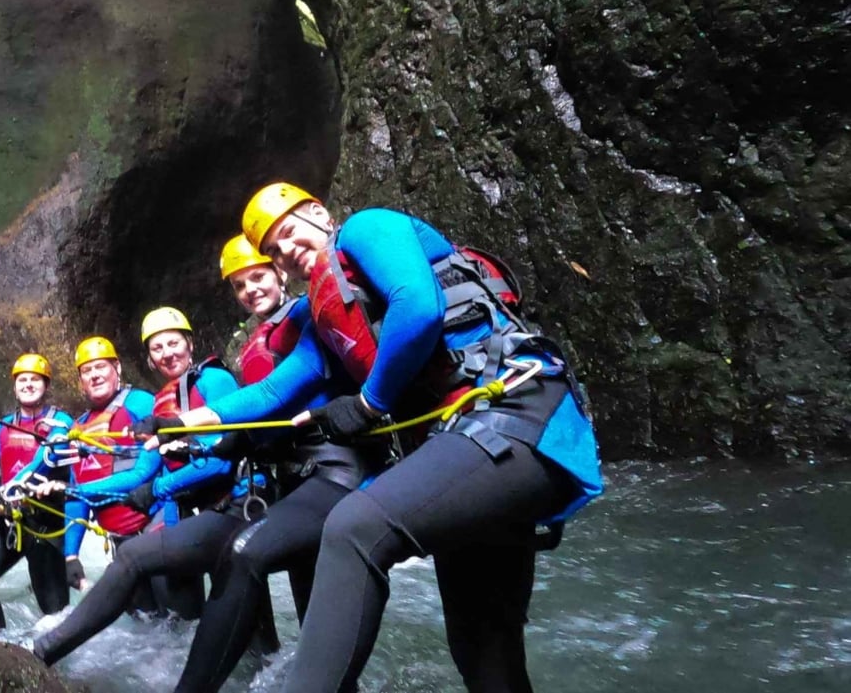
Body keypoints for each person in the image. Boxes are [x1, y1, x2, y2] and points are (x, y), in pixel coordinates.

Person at [240, 182, 603, 693]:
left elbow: (417, 305)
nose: (286, 251)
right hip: (470, 446)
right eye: (275, 250)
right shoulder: (323, 311)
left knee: (353, 527)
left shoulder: (365, 227)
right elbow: (272, 391)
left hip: (513, 413)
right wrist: (188, 422)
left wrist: (369, 403)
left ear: (318, 213)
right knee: (483, 647)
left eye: (288, 233)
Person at [160, 236, 382, 693]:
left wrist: (184, 423)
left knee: (249, 554)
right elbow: (266, 424)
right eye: (240, 285)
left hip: (335, 469)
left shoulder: (306, 315)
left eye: (258, 276)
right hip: (296, 480)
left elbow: (273, 396)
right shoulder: (257, 341)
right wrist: (214, 447)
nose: (250, 290)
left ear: (280, 273)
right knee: (315, 624)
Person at [32, 289, 281, 667]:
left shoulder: (197, 386)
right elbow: (92, 484)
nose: (167, 353)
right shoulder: (108, 418)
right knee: (164, 639)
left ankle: (45, 650)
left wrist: (154, 489)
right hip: (186, 519)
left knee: (233, 631)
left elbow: (208, 459)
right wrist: (70, 551)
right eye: (157, 348)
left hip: (212, 514)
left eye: (173, 343)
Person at [0, 353, 75, 634]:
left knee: (54, 611)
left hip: (46, 521)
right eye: (23, 379)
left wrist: (8, 490)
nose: (28, 384)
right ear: (14, 386)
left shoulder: (62, 423)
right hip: (8, 518)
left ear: (46, 385)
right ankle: (0, 650)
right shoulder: (2, 426)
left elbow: (43, 462)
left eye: (35, 379)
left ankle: (53, 670)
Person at [57, 335, 157, 602]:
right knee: (147, 636)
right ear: (80, 381)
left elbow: (145, 472)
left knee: (182, 623)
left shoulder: (140, 403)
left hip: (158, 532)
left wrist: (72, 490)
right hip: (121, 546)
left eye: (101, 367)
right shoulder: (78, 430)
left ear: (117, 369)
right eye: (87, 371)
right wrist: (71, 555)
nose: (95, 375)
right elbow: (78, 497)